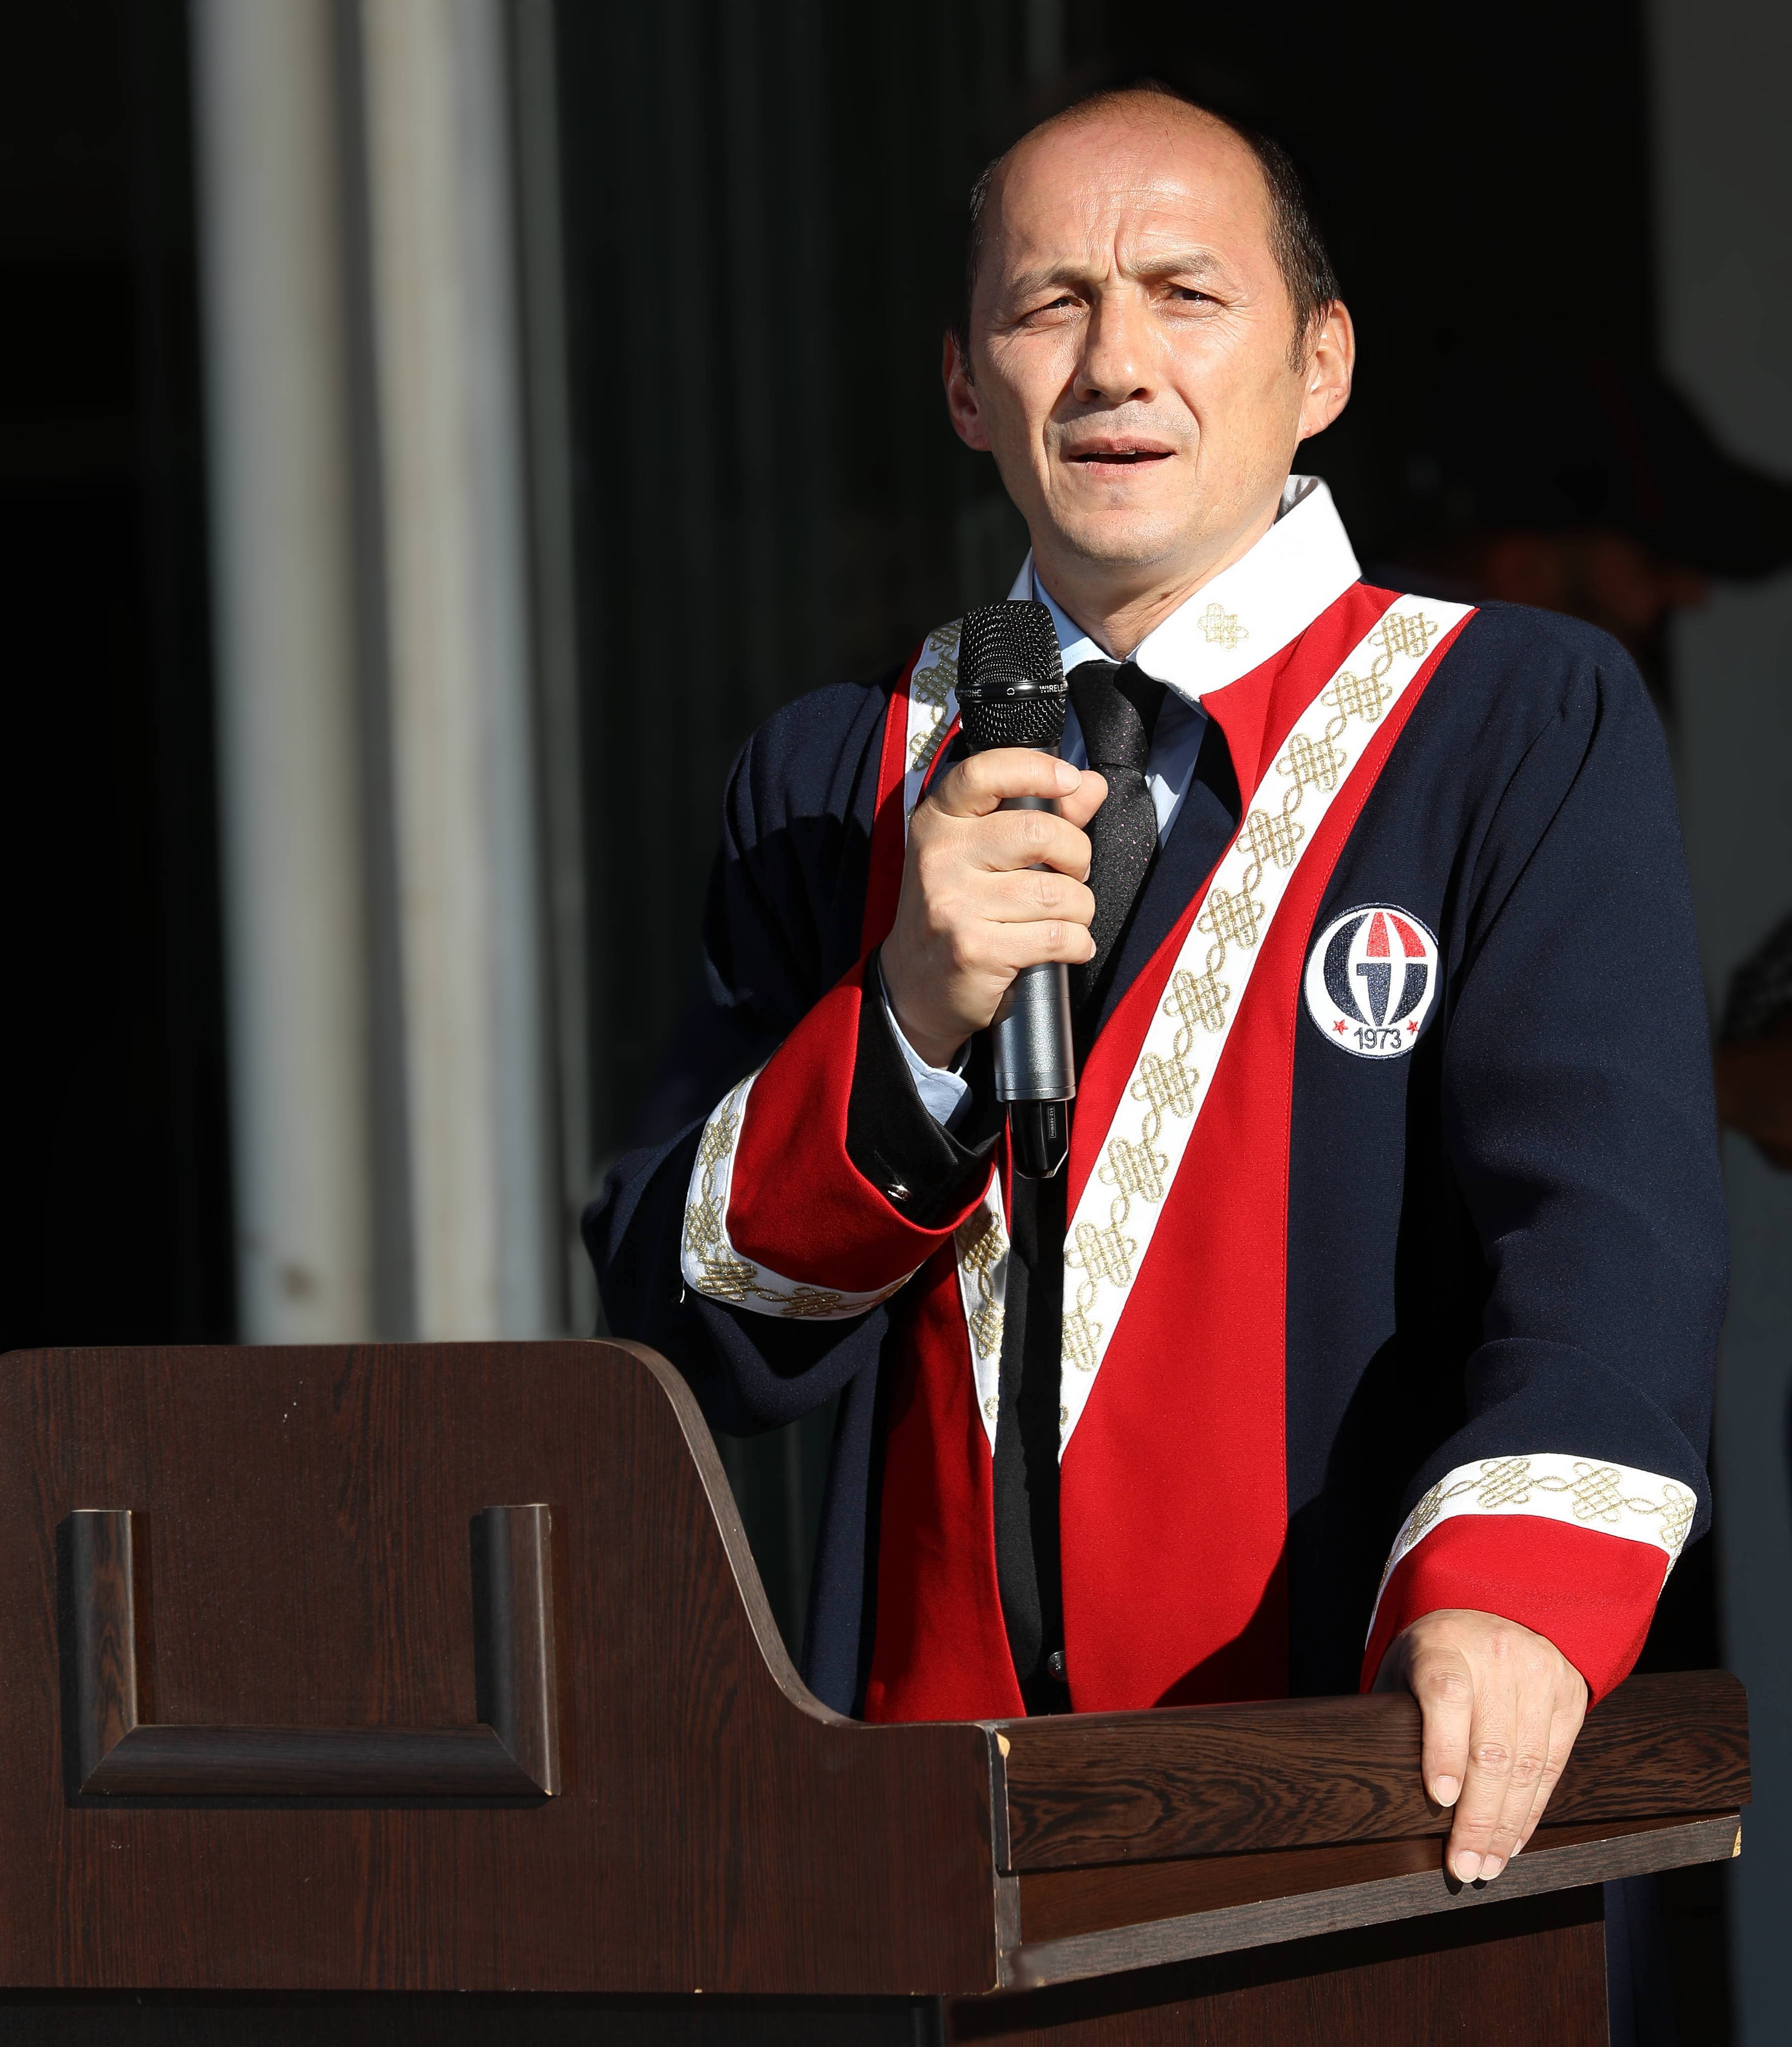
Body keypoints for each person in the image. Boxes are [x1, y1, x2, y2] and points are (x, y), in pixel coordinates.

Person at [584, 84, 1724, 1899]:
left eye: (1188, 294)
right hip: (935, 1844)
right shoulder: (832, 776)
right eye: (1049, 305)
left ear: (1323, 362)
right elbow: (686, 1319)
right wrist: (910, 1019)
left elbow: (1605, 1234)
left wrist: (1512, 1598)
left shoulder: (1508, 717)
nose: (1116, 362)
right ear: (966, 387)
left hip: (1373, 1804)